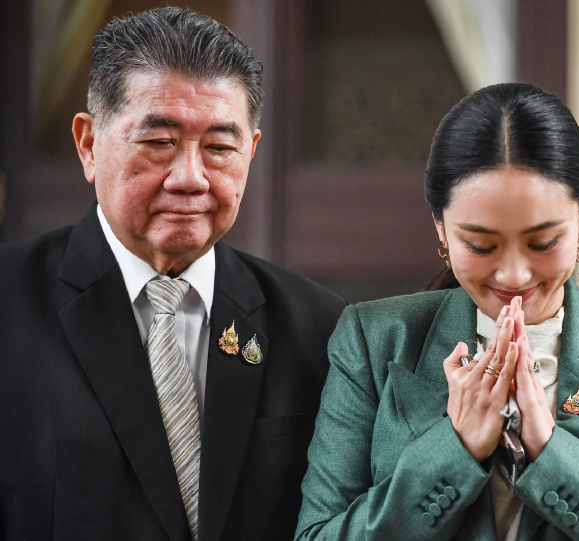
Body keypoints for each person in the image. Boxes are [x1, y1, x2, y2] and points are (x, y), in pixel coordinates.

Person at [296, 83, 579, 541]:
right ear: (440, 225)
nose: (515, 275)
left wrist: (550, 451)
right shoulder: (373, 340)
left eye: (543, 242)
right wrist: (454, 449)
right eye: (480, 245)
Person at [0, 8, 346, 541]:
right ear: (88, 143)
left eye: (219, 148)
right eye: (159, 143)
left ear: (251, 152)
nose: (191, 178)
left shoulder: (320, 329)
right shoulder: (10, 304)